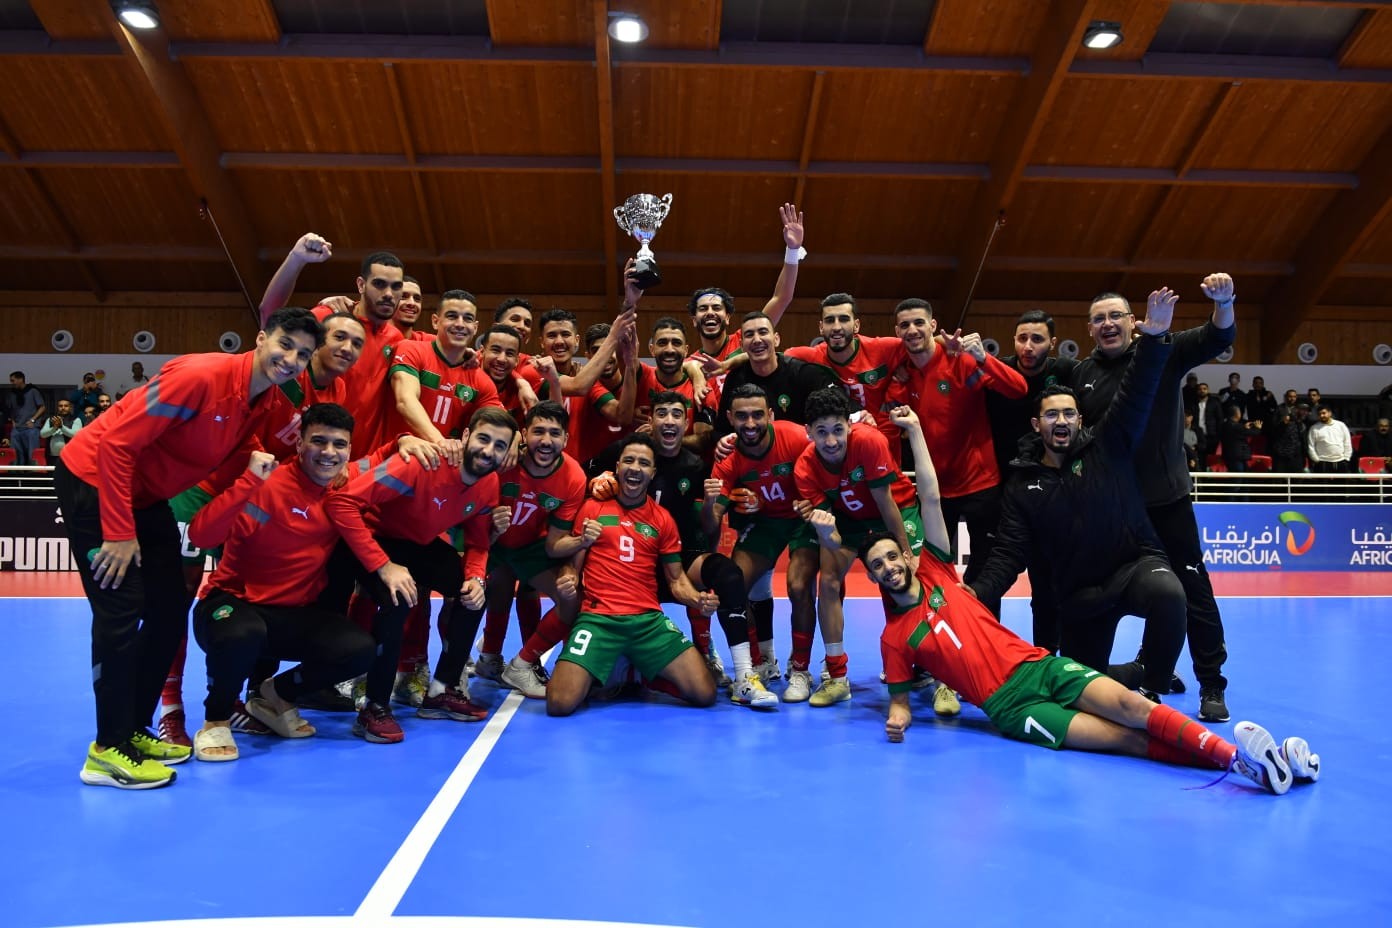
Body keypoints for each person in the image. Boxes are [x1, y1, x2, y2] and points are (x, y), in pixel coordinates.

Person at [841, 408, 1318, 796]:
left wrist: (917, 433)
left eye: (891, 556)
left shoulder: (938, 572)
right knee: (1124, 739)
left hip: (1039, 667)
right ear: (873, 576)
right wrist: (897, 719)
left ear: (906, 554)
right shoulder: (894, 637)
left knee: (1134, 708)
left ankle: (1245, 760)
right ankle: (1245, 763)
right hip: (1011, 707)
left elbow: (929, 495)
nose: (888, 567)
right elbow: (900, 703)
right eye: (877, 566)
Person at [55, 306, 323, 789]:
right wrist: (118, 531)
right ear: (261, 338)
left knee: (168, 608)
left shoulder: (259, 403)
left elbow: (215, 502)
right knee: (120, 612)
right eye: (285, 344)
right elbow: (115, 444)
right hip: (94, 482)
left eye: (303, 354)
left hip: (147, 495)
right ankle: (107, 750)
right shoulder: (203, 376)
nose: (291, 359)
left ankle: (134, 731)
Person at [970, 289, 1187, 703]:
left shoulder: (1107, 445)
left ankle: (1151, 687)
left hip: (1132, 568)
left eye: (1069, 413)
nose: (1062, 420)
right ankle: (1121, 674)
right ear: (1037, 424)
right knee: (1082, 687)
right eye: (1052, 414)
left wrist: (1156, 336)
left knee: (1169, 595)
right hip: (1081, 594)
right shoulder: (1023, 483)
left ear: (1080, 419)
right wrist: (978, 593)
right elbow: (1009, 554)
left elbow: (1136, 391)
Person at [1071, 276, 1238, 723]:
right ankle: (1154, 665)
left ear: (1133, 322)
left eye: (1116, 316)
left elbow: (1220, 334)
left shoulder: (1163, 347)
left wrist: (1224, 301)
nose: (1108, 324)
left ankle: (1211, 684)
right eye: (1098, 319)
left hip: (1166, 503)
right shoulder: (1081, 375)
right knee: (1127, 591)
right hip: (1114, 510)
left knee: (1191, 590)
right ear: (1089, 329)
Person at [185, 403, 376, 761]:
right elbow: (201, 533)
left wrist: (407, 441)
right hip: (230, 605)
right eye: (318, 441)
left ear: (349, 450)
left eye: (340, 445)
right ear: (300, 443)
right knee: (242, 634)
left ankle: (276, 695)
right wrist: (247, 482)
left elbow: (381, 463)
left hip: (289, 617)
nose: (328, 453)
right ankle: (216, 720)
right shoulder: (266, 483)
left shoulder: (344, 486)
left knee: (359, 649)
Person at [322, 406, 518, 743]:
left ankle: (442, 688)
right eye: (483, 439)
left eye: (499, 446)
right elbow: (341, 504)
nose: (489, 451)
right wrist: (385, 565)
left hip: (416, 545)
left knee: (472, 595)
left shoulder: (488, 483)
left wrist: (475, 578)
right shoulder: (420, 463)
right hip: (368, 537)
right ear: (466, 436)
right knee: (399, 600)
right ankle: (375, 707)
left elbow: (478, 543)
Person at [588, 392, 773, 708]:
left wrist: (712, 504)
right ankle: (599, 658)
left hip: (680, 558)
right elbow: (583, 474)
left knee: (729, 575)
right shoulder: (629, 453)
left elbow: (708, 530)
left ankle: (744, 676)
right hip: (630, 563)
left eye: (677, 414)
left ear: (686, 422)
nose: (670, 420)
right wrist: (596, 479)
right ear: (652, 420)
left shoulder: (696, 465)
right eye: (662, 413)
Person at [546, 434, 720, 716]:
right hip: (598, 619)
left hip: (647, 621)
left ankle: (637, 675)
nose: (635, 468)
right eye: (628, 460)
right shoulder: (592, 508)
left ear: (653, 472)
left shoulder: (662, 519)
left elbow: (676, 581)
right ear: (617, 467)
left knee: (705, 693)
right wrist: (568, 580)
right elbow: (571, 566)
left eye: (643, 463)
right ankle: (626, 670)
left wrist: (697, 599)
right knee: (559, 703)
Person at [793, 387, 944, 710]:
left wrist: (905, 553)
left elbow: (885, 502)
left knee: (906, 581)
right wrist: (825, 531)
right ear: (808, 433)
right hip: (849, 520)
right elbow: (832, 541)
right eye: (821, 433)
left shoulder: (869, 441)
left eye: (837, 430)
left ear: (849, 425)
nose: (831, 442)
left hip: (895, 510)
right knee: (828, 581)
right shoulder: (804, 469)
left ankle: (933, 672)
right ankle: (836, 675)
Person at [888, 298, 1028, 618]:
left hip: (981, 486)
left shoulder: (961, 361)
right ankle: (936, 645)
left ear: (933, 325)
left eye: (919, 322)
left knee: (985, 574)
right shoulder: (901, 375)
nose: (912, 330)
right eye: (905, 325)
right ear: (897, 331)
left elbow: (1018, 389)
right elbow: (891, 427)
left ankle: (987, 647)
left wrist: (983, 357)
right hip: (935, 493)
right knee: (930, 571)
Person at [702, 384, 821, 701]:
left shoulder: (795, 437)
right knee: (734, 585)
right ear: (729, 418)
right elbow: (711, 521)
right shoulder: (727, 459)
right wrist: (710, 505)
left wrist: (815, 503)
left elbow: (829, 465)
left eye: (757, 415)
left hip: (802, 521)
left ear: (770, 414)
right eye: (741, 416)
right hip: (765, 523)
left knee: (798, 585)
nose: (750, 423)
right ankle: (759, 662)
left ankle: (800, 670)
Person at [472, 401, 588, 697]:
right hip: (489, 541)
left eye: (554, 433)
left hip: (531, 547)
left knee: (570, 598)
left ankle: (523, 664)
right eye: (538, 431)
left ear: (566, 439)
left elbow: (554, 543)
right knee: (473, 594)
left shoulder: (573, 477)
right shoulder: (501, 461)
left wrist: (576, 556)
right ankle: (480, 661)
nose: (546, 441)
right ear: (523, 434)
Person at [984, 309, 1080, 651]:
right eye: (1022, 338)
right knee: (990, 578)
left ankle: (1049, 661)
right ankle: (987, 655)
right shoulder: (997, 371)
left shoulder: (1067, 372)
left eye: (1037, 339)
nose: (1028, 346)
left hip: (1050, 495)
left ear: (1052, 344)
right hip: (1000, 493)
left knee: (1047, 587)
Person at [687, 203, 805, 408]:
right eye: (703, 309)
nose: (710, 313)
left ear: (727, 317)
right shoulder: (689, 362)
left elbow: (781, 297)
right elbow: (687, 366)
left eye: (716, 308)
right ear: (694, 320)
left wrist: (792, 251)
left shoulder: (748, 338)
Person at [784, 293, 907, 462]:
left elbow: (924, 345)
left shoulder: (882, 348)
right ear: (821, 327)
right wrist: (737, 359)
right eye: (829, 320)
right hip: (835, 449)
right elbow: (768, 356)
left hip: (881, 441)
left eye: (843, 319)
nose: (836, 327)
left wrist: (950, 343)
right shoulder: (808, 356)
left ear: (856, 325)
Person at [4, 372, 47, 465]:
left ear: (20, 379)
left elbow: (42, 407)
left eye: (13, 380)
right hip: (17, 428)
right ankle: (16, 474)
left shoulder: (33, 391)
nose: (12, 383)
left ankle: (34, 474)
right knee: (15, 454)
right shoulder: (12, 394)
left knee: (33, 453)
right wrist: (13, 420)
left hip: (31, 428)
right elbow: (9, 409)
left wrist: (33, 419)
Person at [1307, 405, 1352, 473]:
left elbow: (1347, 442)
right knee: (1323, 484)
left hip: (1341, 461)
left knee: (1342, 483)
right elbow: (1311, 446)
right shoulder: (1314, 428)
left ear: (1330, 413)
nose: (1322, 415)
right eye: (1319, 414)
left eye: (1324, 413)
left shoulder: (1341, 425)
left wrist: (1346, 458)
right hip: (1322, 462)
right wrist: (1316, 460)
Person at [1220, 405, 1262, 473]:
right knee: (1239, 477)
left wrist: (1244, 427)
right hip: (1237, 457)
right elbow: (1253, 433)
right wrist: (1258, 428)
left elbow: (1239, 432)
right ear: (1237, 414)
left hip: (1228, 455)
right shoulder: (1237, 426)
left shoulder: (1225, 425)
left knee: (1240, 474)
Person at [1191, 382, 1222, 460]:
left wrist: (1218, 434)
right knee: (1199, 457)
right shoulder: (1193, 404)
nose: (1202, 391)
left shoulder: (1214, 403)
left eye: (1204, 389)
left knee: (1211, 457)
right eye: (1200, 389)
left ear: (1208, 390)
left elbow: (1220, 419)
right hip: (1197, 435)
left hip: (1211, 435)